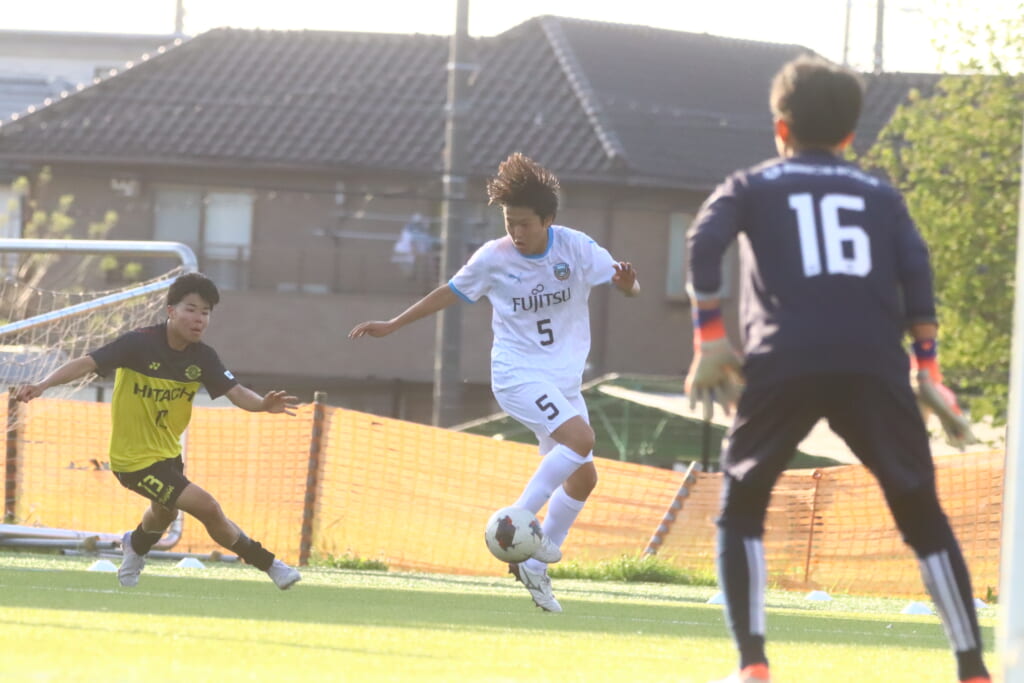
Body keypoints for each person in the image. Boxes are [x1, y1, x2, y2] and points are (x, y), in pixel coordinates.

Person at [685, 55, 989, 683]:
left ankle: (753, 665)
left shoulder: (751, 185)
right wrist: (928, 370)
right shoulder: (881, 196)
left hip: (784, 358)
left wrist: (709, 337)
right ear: (851, 135)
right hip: (872, 363)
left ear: (781, 128)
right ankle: (972, 669)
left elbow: (703, 241)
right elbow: (917, 272)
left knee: (743, 504)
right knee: (921, 511)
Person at [350, 152, 640, 612]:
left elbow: (629, 287)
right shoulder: (493, 257)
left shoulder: (576, 248)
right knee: (582, 438)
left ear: (548, 219)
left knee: (584, 478)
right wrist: (393, 323)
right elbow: (449, 291)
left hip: (562, 383)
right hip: (517, 375)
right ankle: (517, 525)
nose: (516, 232)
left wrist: (626, 285)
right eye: (509, 223)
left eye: (524, 223)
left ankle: (535, 565)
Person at [15, 272, 303, 591]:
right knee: (208, 507)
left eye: (205, 312)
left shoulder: (203, 357)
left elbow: (235, 391)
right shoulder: (138, 344)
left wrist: (262, 404)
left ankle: (135, 545)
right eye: (191, 309)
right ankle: (270, 565)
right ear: (171, 311)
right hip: (132, 460)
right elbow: (87, 363)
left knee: (164, 514)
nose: (199, 319)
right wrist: (42, 385)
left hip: (167, 454)